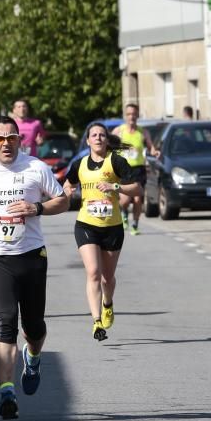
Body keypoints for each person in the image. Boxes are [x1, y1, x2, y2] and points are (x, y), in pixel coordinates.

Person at [0, 116, 69, 420]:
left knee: (33, 326)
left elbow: (62, 201)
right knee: (5, 322)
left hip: (32, 255)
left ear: (20, 140)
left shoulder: (35, 167)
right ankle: (6, 391)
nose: (5, 144)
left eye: (11, 138)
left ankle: (32, 358)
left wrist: (37, 208)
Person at [64, 122, 142, 341]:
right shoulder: (79, 164)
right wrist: (69, 191)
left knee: (108, 278)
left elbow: (137, 188)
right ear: (88, 141)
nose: (98, 138)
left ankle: (108, 303)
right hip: (86, 225)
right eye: (94, 135)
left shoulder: (116, 161)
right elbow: (67, 184)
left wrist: (115, 187)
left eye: (102, 135)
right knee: (93, 273)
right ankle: (97, 321)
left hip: (112, 227)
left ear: (107, 140)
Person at [113, 103, 157, 236]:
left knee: (138, 199)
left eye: (134, 114)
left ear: (137, 115)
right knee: (125, 200)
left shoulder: (143, 132)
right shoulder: (118, 131)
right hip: (123, 169)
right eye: (129, 114)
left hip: (138, 170)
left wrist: (154, 152)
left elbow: (151, 147)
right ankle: (124, 212)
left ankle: (135, 224)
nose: (131, 116)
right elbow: (108, 145)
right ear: (125, 116)